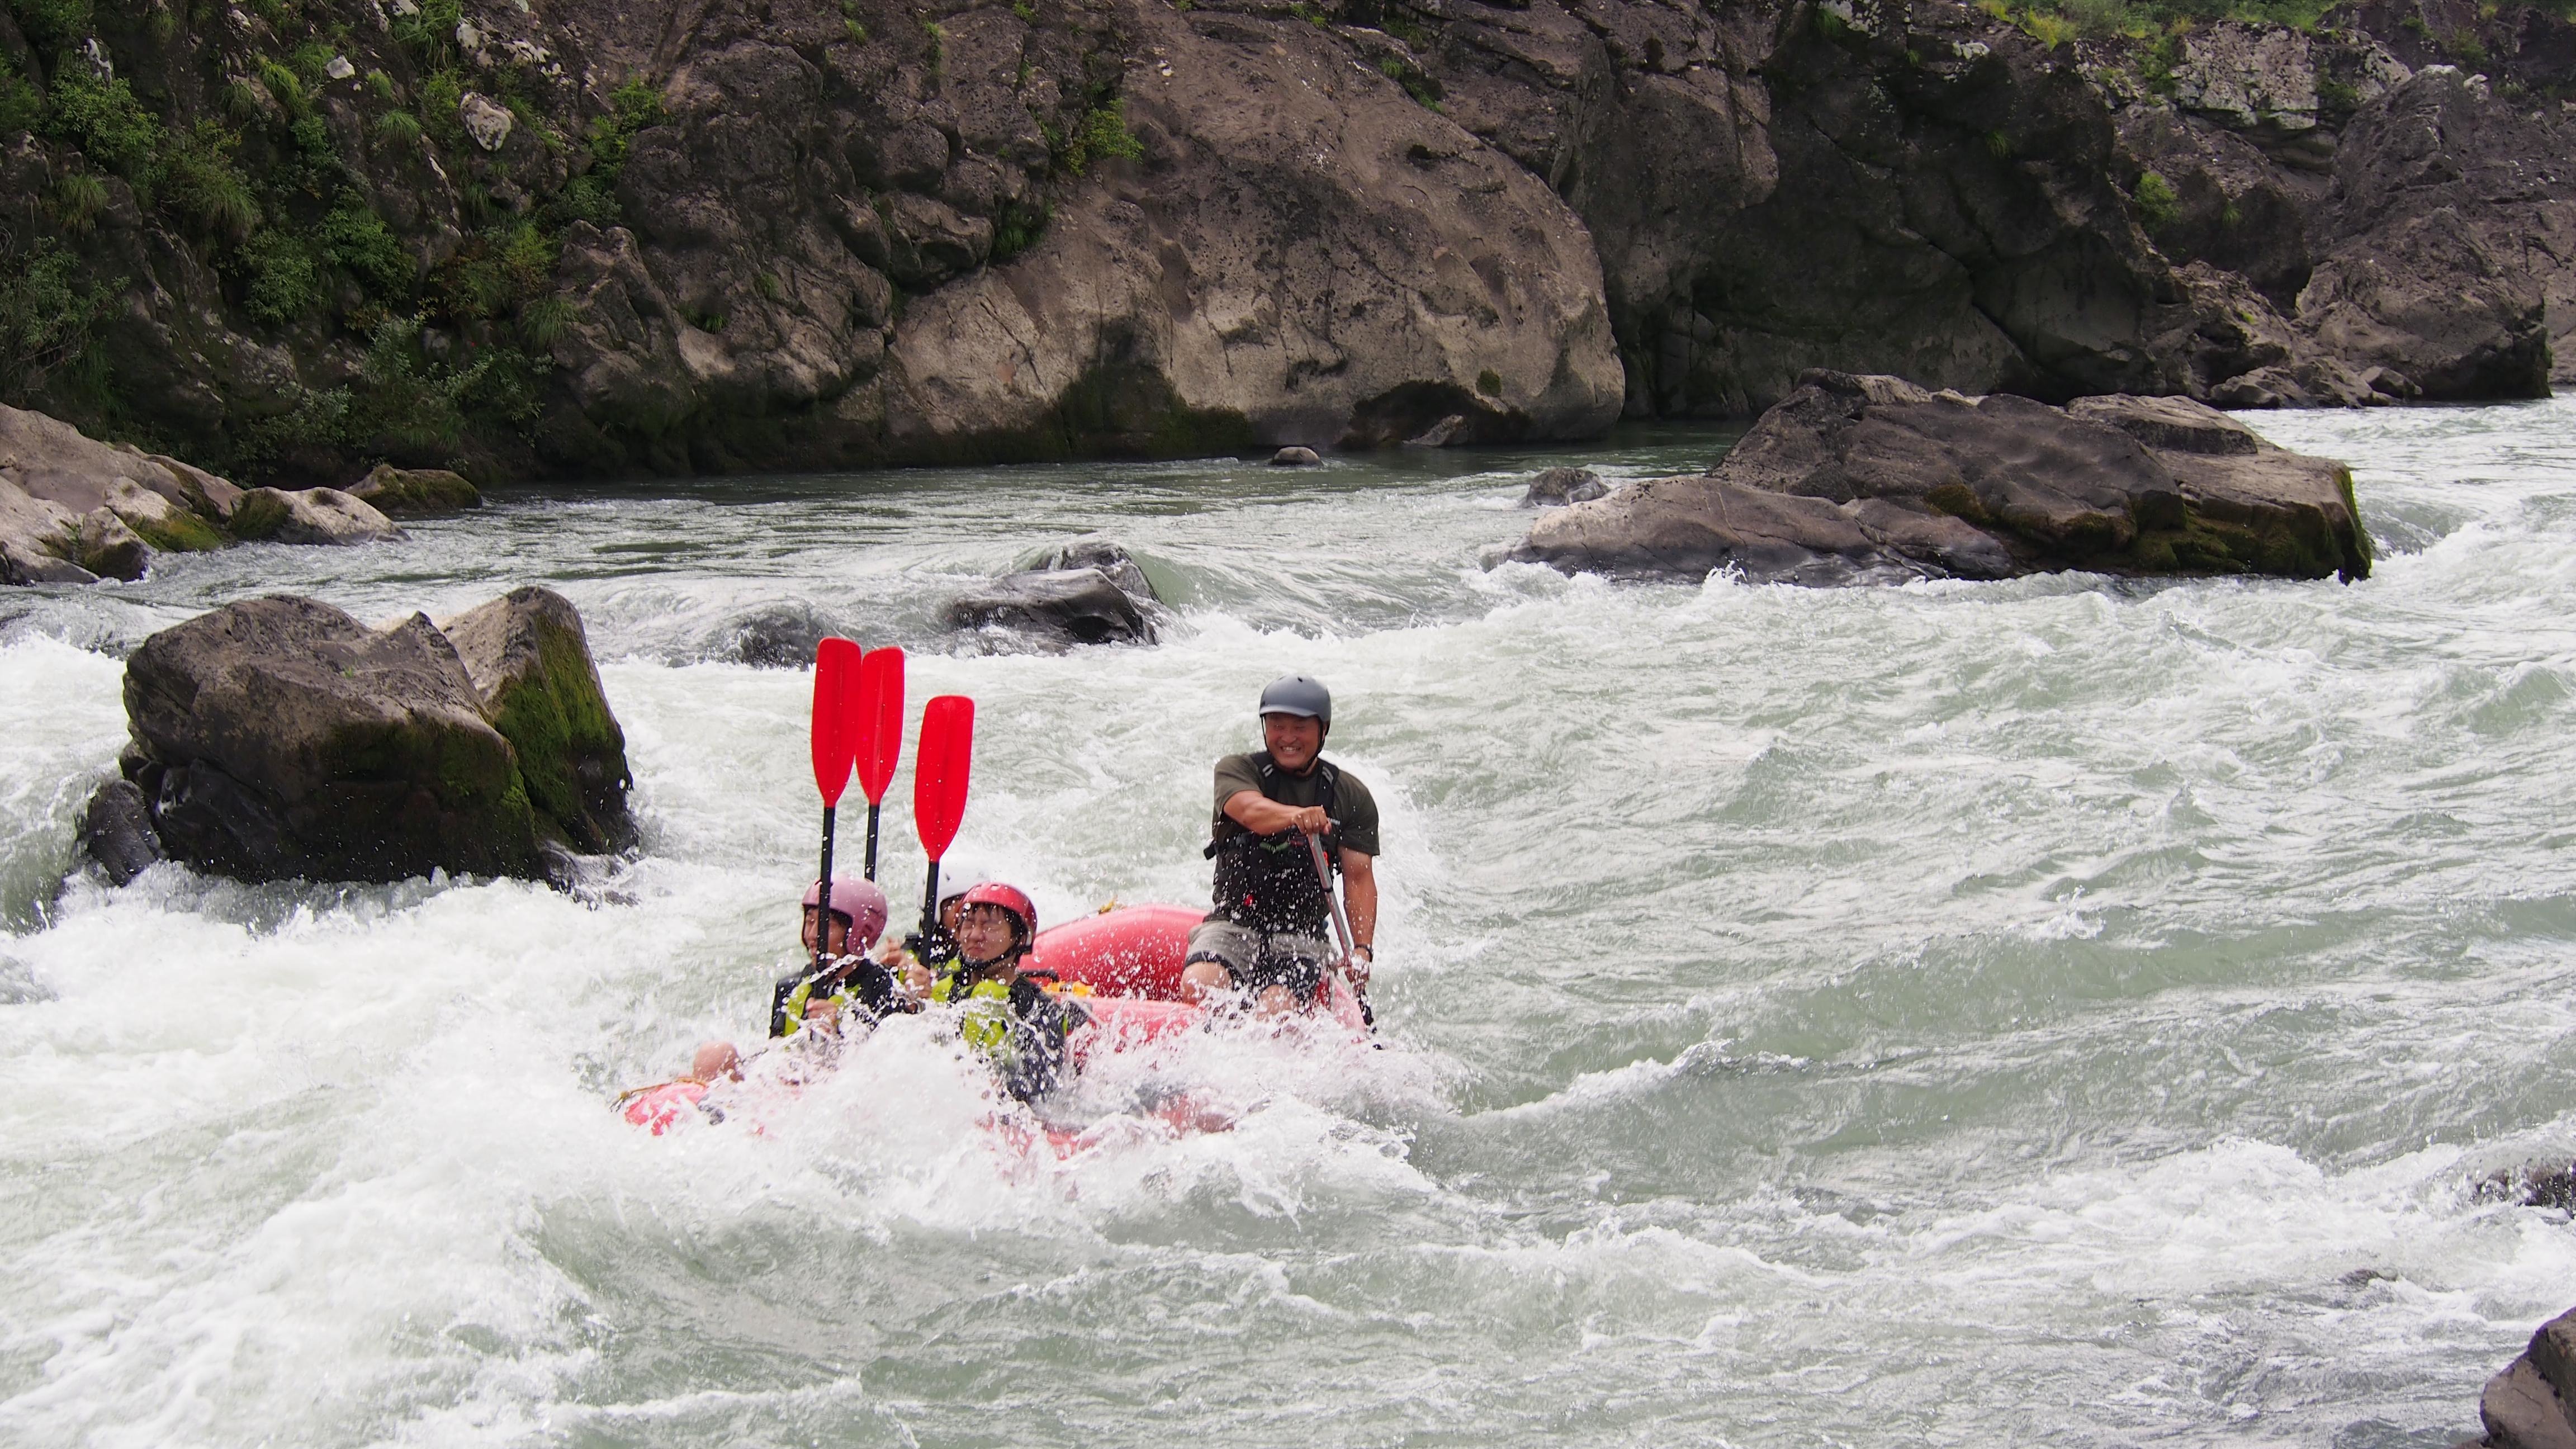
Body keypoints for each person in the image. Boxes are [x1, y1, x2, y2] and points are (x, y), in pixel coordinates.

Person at [1183, 674, 1379, 1015]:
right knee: (1200, 983)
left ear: (1323, 729)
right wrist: (1297, 816)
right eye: (1277, 726)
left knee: (1276, 1007)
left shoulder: (1350, 796)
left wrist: (1362, 949)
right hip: (1232, 923)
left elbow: (1358, 877)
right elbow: (1251, 811)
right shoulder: (1237, 770)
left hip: (1302, 935)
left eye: (1300, 727)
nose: (1287, 738)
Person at [688, 875, 896, 1083]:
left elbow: (879, 1073)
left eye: (827, 925)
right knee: (714, 1054)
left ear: (861, 933)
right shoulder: (791, 987)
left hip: (835, 1090)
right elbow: (772, 1058)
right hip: (786, 1091)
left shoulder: (884, 989)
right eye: (810, 922)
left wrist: (838, 1033)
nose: (812, 935)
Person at [919, 882, 1082, 1104]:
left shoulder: (1038, 1010)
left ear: (1019, 939)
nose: (975, 935)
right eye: (968, 924)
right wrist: (913, 1004)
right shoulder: (937, 987)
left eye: (990, 927)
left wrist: (998, 1088)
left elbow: (1041, 1090)